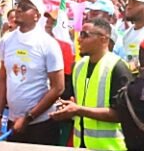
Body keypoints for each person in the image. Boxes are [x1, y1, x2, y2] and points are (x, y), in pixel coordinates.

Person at [0, 0, 64, 145]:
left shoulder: (48, 44)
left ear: (36, 15)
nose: (18, 10)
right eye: (17, 6)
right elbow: (3, 78)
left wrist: (29, 117)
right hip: (14, 121)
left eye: (24, 7)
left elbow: (58, 88)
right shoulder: (7, 40)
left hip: (41, 124)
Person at [50, 18, 133, 150]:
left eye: (85, 35)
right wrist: (66, 108)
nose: (78, 39)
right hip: (81, 145)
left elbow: (121, 114)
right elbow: (74, 101)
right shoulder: (78, 66)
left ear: (103, 39)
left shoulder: (118, 68)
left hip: (110, 147)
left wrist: (78, 110)